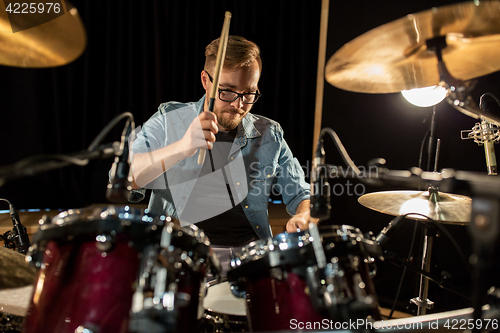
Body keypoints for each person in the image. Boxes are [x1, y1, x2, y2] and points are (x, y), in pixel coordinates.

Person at [129, 35, 318, 275]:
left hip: (249, 259)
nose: (238, 104)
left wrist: (304, 216)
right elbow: (130, 176)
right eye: (228, 91)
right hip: (180, 257)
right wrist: (182, 147)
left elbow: (301, 193)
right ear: (205, 81)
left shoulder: (269, 133)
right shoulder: (169, 118)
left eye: (249, 94)